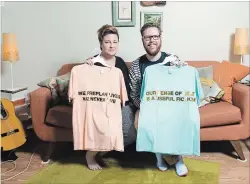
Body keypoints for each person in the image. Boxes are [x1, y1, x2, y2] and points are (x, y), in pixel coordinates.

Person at [129, 23, 188, 176]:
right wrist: (146, 107)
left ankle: (178, 159)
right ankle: (159, 155)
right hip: (146, 106)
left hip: (170, 106)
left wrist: (182, 70)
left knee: (172, 120)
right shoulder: (136, 65)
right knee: (142, 121)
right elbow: (134, 94)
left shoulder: (172, 60)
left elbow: (183, 87)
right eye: (147, 37)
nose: (152, 40)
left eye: (155, 36)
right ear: (142, 40)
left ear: (160, 38)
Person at [85, 24, 137, 170]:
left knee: (129, 133)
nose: (111, 45)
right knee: (105, 127)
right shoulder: (93, 63)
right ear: (101, 44)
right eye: (107, 42)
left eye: (115, 42)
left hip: (121, 104)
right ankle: (90, 155)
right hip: (100, 106)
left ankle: (104, 150)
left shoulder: (119, 62)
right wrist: (87, 68)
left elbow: (126, 88)